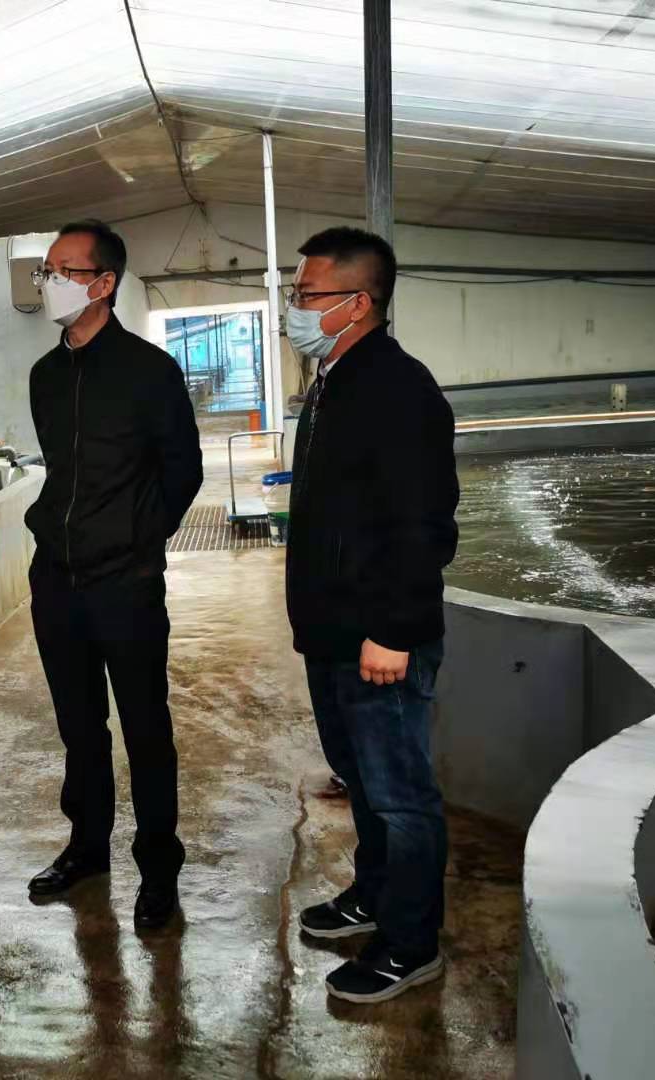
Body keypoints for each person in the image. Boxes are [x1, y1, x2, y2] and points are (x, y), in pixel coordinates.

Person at [283, 227, 459, 1004]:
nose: (295, 307)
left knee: (400, 797)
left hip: (378, 638)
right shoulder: (334, 382)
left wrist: (392, 630)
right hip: (334, 634)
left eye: (307, 294)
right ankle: (376, 895)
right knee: (361, 781)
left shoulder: (397, 389)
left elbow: (424, 525)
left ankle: (410, 943)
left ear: (358, 303)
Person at [24, 219, 203, 930]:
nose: (50, 282)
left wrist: (135, 540)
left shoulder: (149, 371)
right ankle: (87, 847)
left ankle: (158, 866)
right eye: (46, 270)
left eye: (64, 271)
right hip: (56, 581)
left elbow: (182, 472)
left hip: (124, 583)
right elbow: (60, 473)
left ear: (103, 284)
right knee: (79, 727)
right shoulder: (45, 376)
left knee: (145, 727)